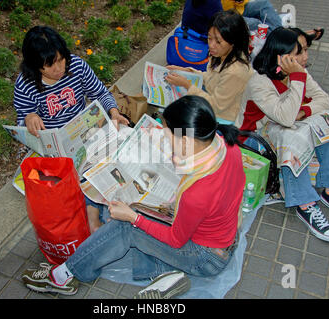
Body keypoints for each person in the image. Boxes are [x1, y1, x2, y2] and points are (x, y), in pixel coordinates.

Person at [21, 95, 246, 298]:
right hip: (224, 238)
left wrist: (133, 218)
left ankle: (62, 276)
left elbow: (176, 239)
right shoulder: (227, 146)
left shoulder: (197, 193)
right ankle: (164, 275)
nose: (167, 142)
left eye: (169, 137)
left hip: (205, 258)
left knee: (126, 227)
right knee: (139, 210)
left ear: (186, 140)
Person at [235, 27, 329, 243]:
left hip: (280, 128)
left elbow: (323, 98)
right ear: (281, 56)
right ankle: (304, 204)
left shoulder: (297, 72)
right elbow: (285, 117)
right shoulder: (260, 82)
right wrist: (298, 81)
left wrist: (304, 111)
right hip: (255, 140)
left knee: (324, 123)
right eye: (299, 52)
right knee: (291, 134)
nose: (305, 57)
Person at [13, 25, 129, 234]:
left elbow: (100, 93)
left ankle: (99, 213)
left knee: (108, 158)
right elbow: (23, 118)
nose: (58, 68)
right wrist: (30, 118)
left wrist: (113, 111)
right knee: (66, 177)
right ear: (35, 65)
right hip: (52, 144)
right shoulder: (25, 84)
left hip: (83, 131)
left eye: (61, 60)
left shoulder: (77, 66)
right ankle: (92, 216)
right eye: (49, 65)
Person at [166, 10, 253, 124]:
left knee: (174, 114)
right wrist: (186, 70)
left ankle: (183, 139)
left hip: (222, 119)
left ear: (233, 42)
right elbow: (210, 77)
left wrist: (187, 85)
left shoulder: (235, 71)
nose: (211, 45)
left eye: (218, 41)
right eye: (209, 38)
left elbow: (216, 106)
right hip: (211, 96)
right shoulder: (221, 54)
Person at [221, 0, 324, 39]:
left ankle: (285, 36)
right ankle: (293, 38)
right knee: (257, 23)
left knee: (264, 5)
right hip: (223, 17)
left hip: (237, 9)